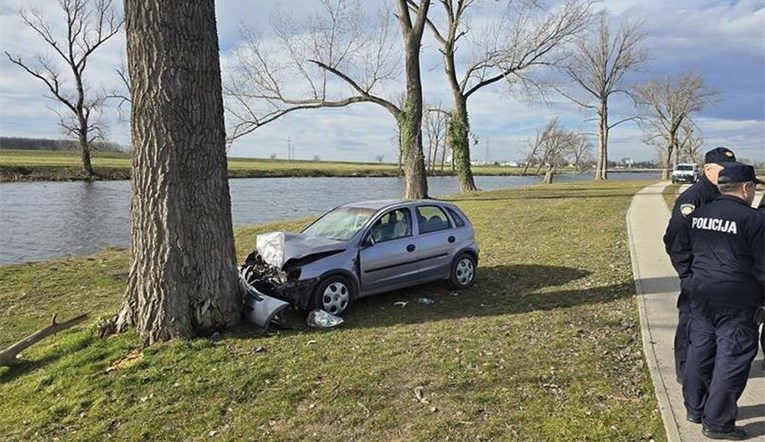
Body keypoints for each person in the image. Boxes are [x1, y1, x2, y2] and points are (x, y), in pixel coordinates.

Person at [674, 163, 764, 440]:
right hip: (737, 301)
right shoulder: (755, 220)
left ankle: (695, 408)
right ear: (746, 188)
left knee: (700, 351)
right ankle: (718, 423)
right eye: (754, 188)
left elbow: (680, 247)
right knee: (732, 359)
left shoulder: (699, 214)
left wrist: (690, 277)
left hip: (701, 295)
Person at [663, 146, 737, 382]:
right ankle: (684, 371)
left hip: (719, 275)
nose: (729, 175)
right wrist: (687, 274)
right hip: (696, 275)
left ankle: (704, 367)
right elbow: (674, 240)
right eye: (724, 170)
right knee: (690, 322)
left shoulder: (727, 194)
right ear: (707, 169)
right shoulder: (693, 198)